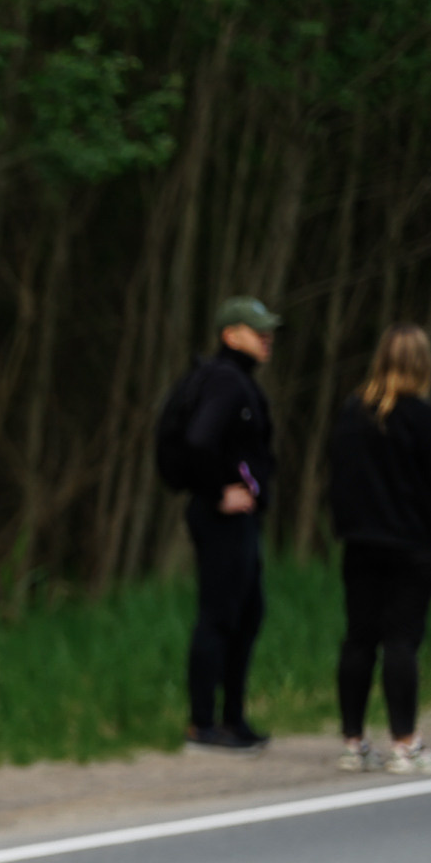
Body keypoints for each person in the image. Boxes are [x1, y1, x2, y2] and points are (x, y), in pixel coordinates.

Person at [328, 324, 431, 775]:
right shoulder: (423, 417)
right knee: (400, 640)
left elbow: (337, 476)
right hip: (411, 544)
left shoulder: (354, 412)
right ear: (422, 364)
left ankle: (354, 745)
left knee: (359, 639)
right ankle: (404, 744)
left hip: (361, 543)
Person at [175, 296, 282, 752]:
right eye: (256, 329)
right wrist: (221, 492)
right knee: (220, 616)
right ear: (229, 334)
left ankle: (233, 719)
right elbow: (198, 441)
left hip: (234, 521)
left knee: (247, 613)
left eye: (267, 329)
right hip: (221, 520)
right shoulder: (227, 381)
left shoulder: (231, 380)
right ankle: (204, 724)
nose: (267, 337)